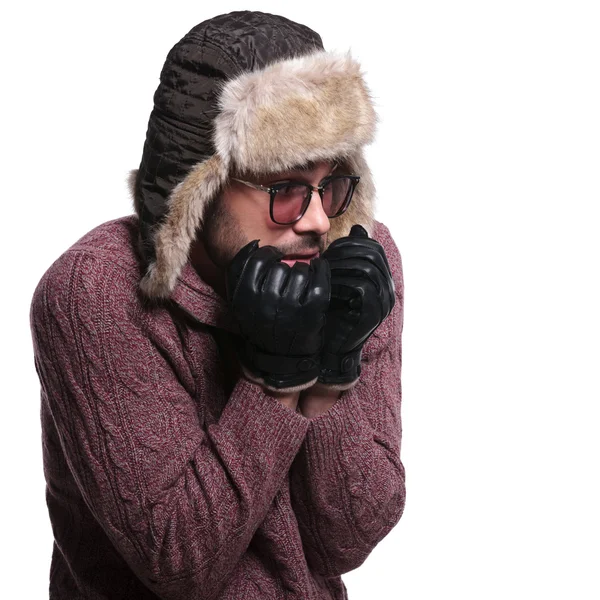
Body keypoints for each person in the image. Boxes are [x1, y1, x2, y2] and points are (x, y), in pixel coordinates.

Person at [29, 10, 406, 600]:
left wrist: (334, 362)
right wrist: (276, 378)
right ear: (200, 187)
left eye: (332, 184)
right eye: (284, 189)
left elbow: (346, 540)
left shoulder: (354, 258)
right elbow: (178, 564)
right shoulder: (93, 294)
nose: (316, 220)